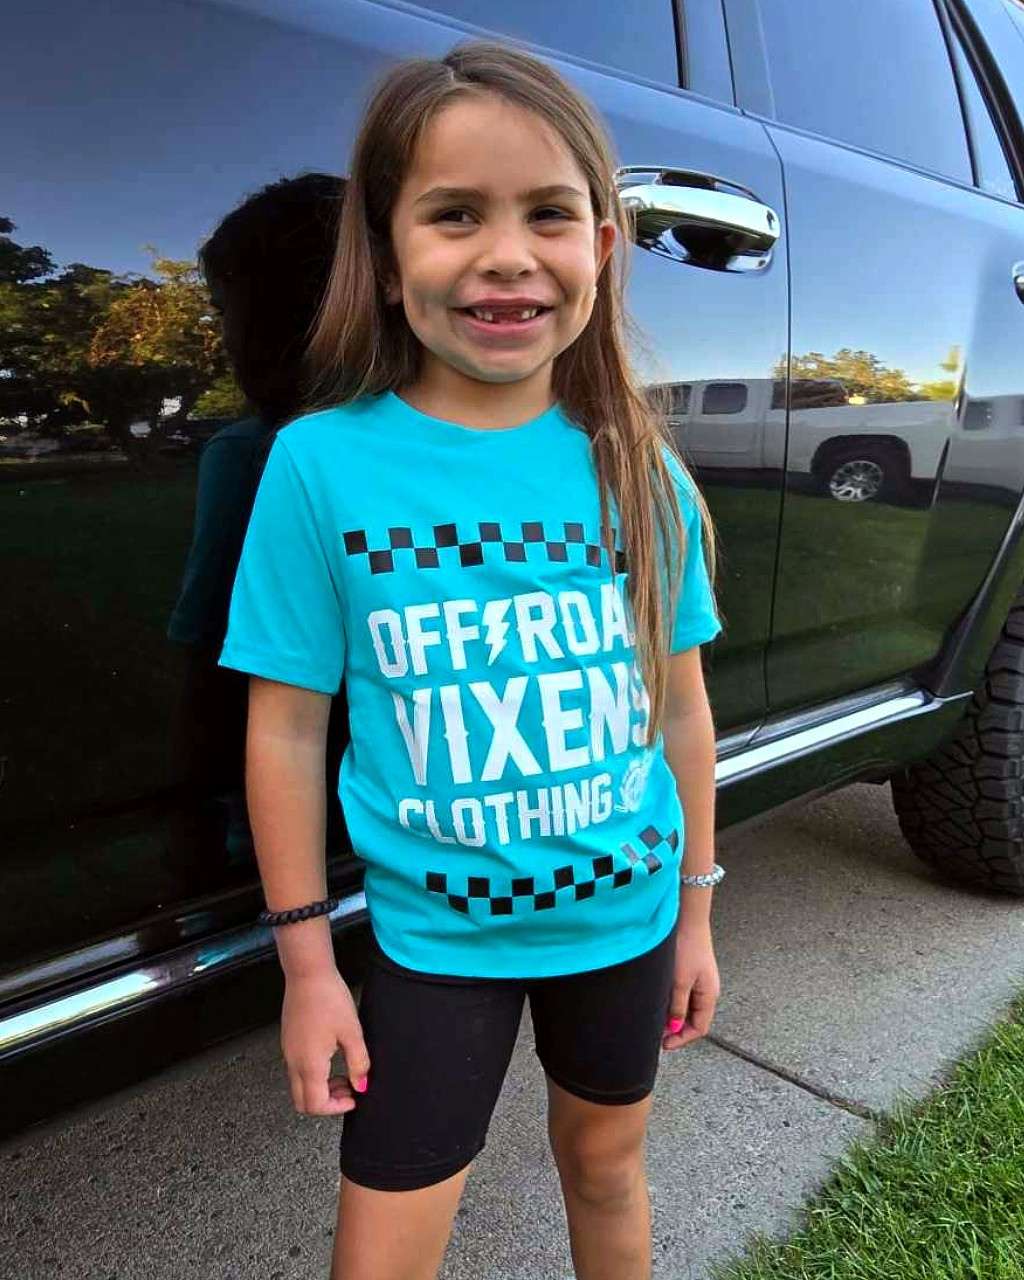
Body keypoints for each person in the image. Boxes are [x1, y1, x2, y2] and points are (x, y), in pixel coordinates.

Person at [218, 37, 727, 1280]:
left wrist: (697, 911)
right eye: (455, 215)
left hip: (626, 922)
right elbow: (286, 725)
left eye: (547, 214)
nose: (506, 253)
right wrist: (306, 966)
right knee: (385, 1239)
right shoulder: (320, 465)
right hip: (431, 947)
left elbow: (679, 711)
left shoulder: (637, 466)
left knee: (605, 1166)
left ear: (599, 247)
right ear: (388, 261)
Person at [165, 173, 349, 888]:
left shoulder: (251, 455)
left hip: (296, 816)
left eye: (224, 310)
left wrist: (191, 822)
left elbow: (207, 663)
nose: (222, 338)